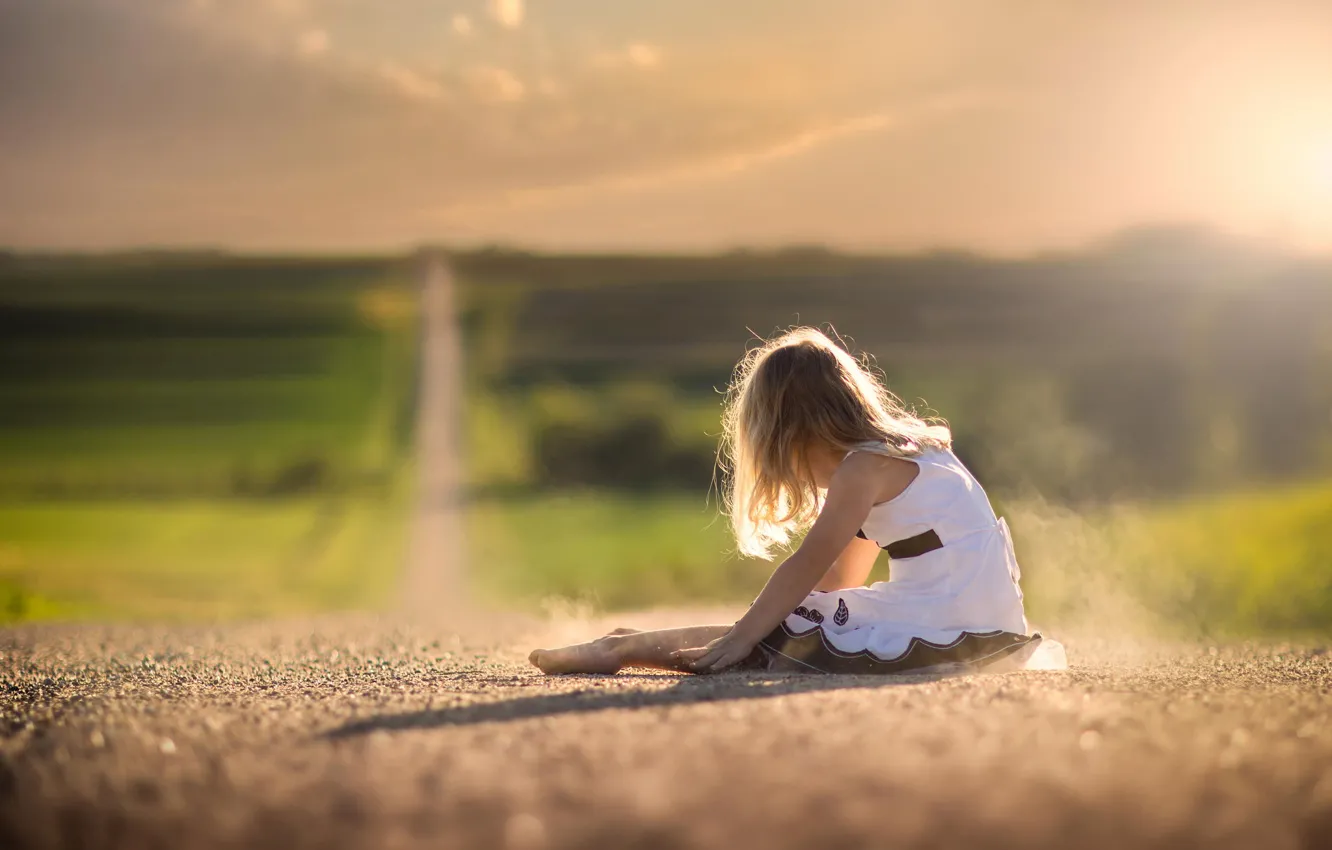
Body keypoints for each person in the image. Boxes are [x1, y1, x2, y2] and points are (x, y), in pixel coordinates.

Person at [529, 327, 1063, 675]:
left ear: (790, 431)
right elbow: (836, 586)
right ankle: (635, 642)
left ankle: (620, 649)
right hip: (983, 618)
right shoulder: (910, 452)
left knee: (776, 637)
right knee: (797, 623)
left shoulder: (862, 469)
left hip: (950, 629)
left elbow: (807, 566)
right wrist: (761, 625)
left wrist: (742, 636)